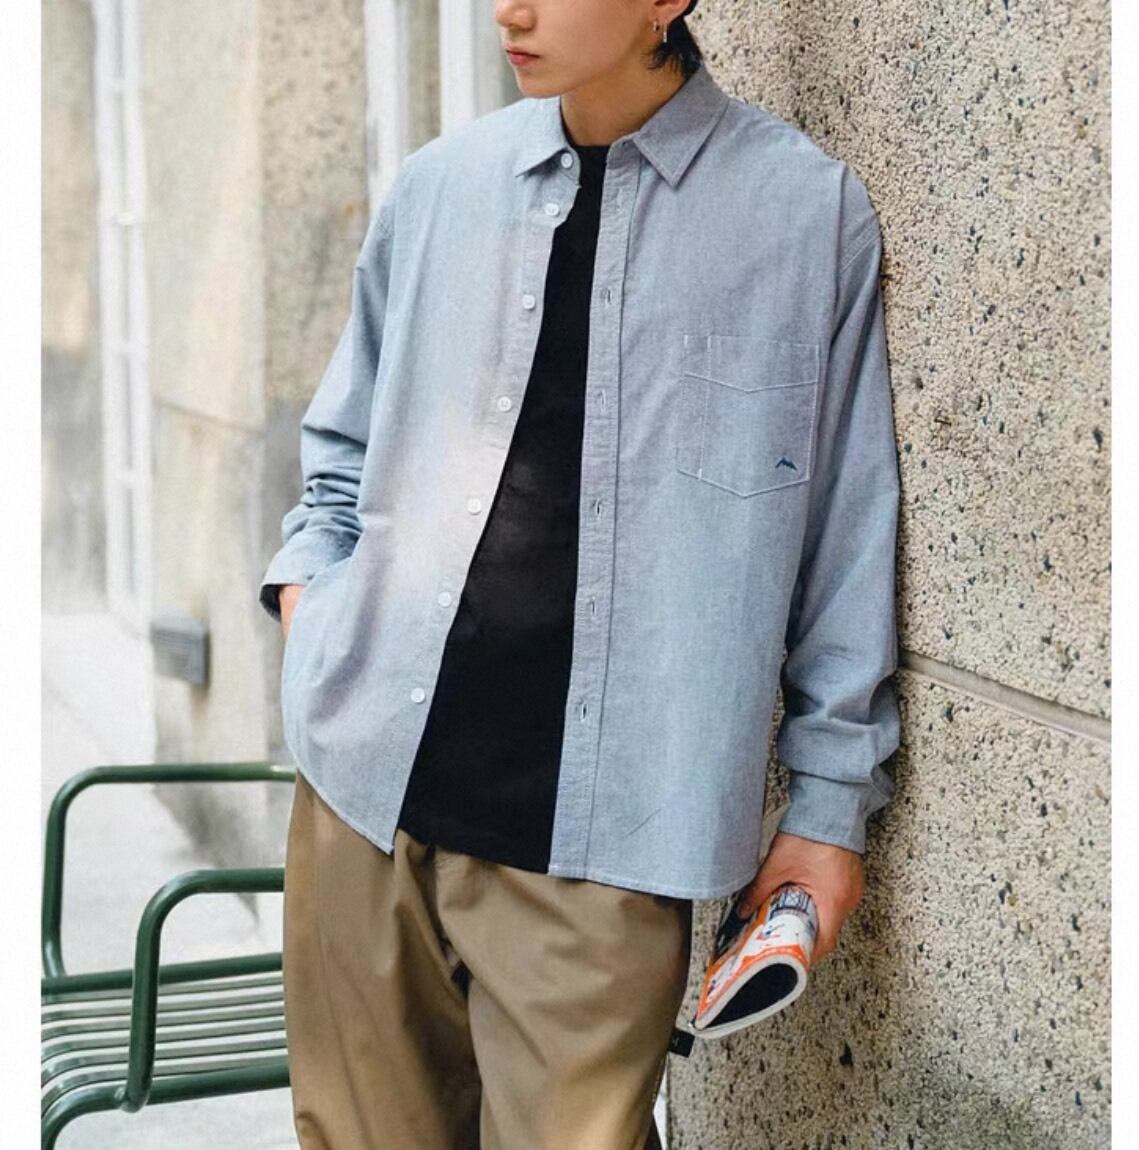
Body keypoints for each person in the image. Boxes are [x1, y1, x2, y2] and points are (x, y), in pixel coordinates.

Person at [258, 0, 902, 1147]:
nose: (510, 9)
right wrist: (314, 611)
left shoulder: (802, 217)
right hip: (363, 802)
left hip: (603, 858)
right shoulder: (439, 188)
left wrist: (827, 809)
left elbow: (843, 542)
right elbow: (340, 451)